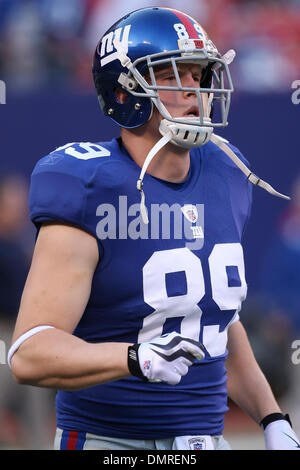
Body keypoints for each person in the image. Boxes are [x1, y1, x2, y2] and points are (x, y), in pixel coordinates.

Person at [7, 7, 300, 451]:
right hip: (109, 442)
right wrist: (132, 357)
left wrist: (272, 418)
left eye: (199, 74)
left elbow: (215, 320)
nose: (194, 91)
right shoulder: (89, 184)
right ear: (125, 91)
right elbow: (29, 352)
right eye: (173, 74)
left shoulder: (226, 170)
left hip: (204, 442)